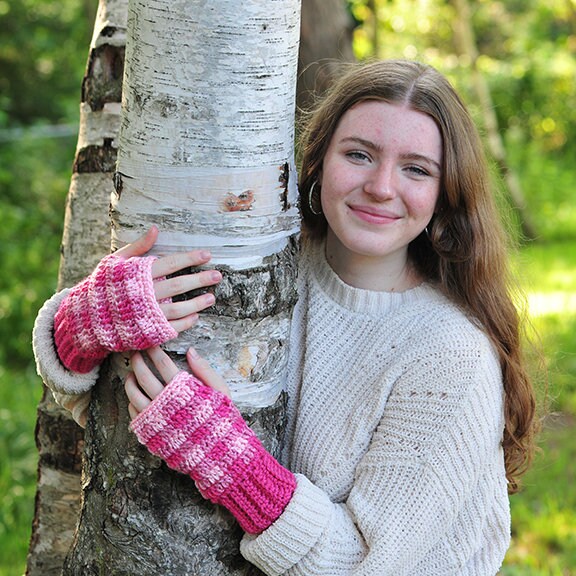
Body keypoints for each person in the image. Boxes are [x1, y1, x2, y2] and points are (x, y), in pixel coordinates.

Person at [33, 59, 538, 574]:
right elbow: (108, 412)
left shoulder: (450, 354)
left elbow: (370, 563)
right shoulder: (259, 265)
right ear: (318, 162)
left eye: (416, 168)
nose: (382, 187)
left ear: (445, 193)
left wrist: (235, 469)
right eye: (359, 155)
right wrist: (82, 329)